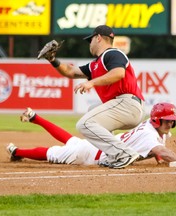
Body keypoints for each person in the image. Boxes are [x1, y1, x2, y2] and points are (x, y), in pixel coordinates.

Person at [39, 25, 145, 169]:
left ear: (98, 38)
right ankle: (114, 155)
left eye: (91, 40)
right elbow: (70, 72)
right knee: (92, 109)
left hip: (127, 104)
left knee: (84, 124)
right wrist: (52, 59)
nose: (90, 44)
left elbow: (119, 73)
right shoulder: (96, 64)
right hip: (124, 106)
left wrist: (92, 83)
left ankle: (124, 153)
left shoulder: (112, 53)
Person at [6, 103, 176, 166]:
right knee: (52, 154)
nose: (171, 123)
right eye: (168, 120)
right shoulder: (150, 135)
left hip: (100, 145)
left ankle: (35, 118)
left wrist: (159, 160)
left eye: (172, 120)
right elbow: (162, 152)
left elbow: (159, 151)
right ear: (157, 120)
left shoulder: (153, 127)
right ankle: (16, 151)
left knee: (72, 140)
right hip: (90, 156)